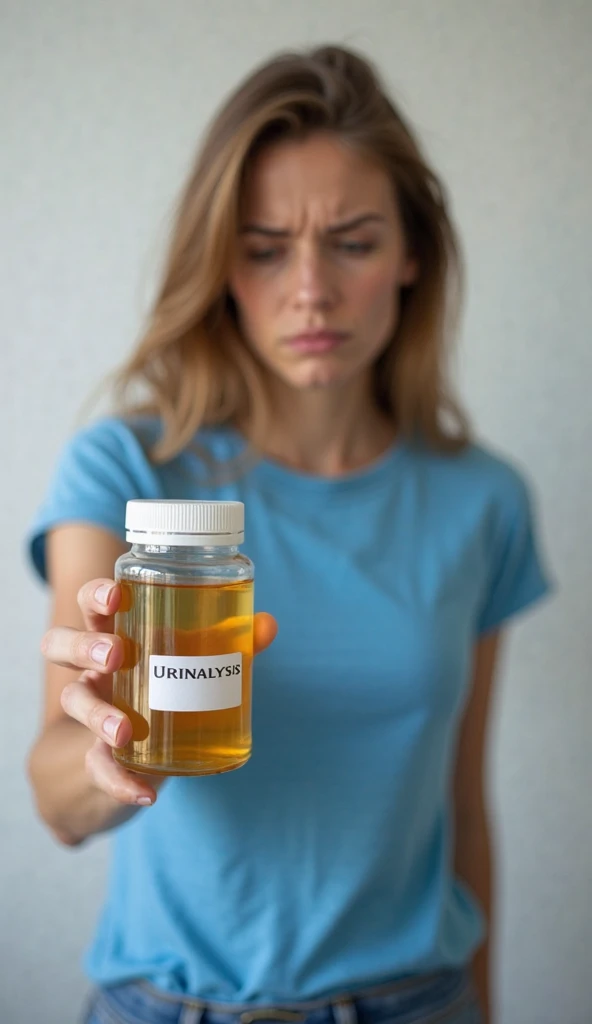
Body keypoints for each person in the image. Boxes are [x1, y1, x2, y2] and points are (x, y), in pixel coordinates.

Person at [27, 44, 551, 1024]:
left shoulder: (483, 501)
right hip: (161, 1006)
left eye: (351, 241)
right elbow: (58, 795)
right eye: (266, 247)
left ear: (411, 256)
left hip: (416, 1003)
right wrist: (111, 759)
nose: (309, 288)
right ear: (221, 266)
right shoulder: (127, 474)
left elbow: (463, 804)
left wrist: (484, 1000)